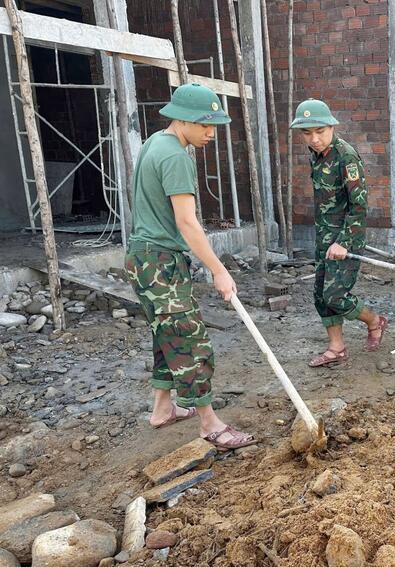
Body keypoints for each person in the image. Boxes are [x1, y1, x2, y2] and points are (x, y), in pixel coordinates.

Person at [124, 83, 256, 450]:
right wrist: (218, 269)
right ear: (181, 118)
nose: (211, 133)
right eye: (205, 124)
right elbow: (188, 223)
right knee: (189, 339)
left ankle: (162, 409)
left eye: (215, 125)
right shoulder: (177, 157)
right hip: (159, 261)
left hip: (142, 257)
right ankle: (209, 423)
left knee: (165, 333)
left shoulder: (155, 142)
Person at [289, 99, 388, 368]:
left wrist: (343, 242)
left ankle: (374, 321)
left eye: (320, 131)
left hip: (346, 239)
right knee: (320, 295)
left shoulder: (347, 157)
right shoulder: (316, 155)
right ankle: (337, 347)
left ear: (331, 127)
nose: (315, 138)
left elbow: (359, 205)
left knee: (335, 295)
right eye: (307, 133)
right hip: (324, 236)